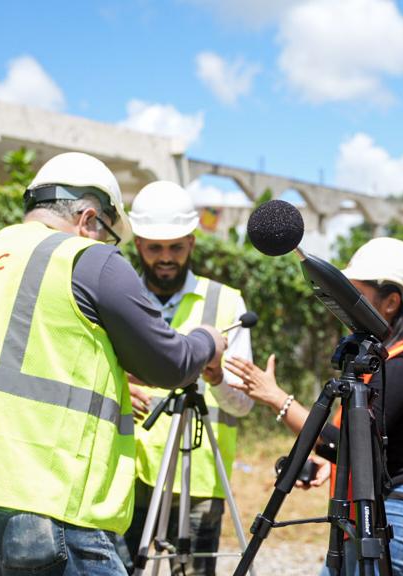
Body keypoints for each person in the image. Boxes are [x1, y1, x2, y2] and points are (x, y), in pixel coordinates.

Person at [0, 152, 227, 576]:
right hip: (40, 502)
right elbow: (170, 364)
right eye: (110, 236)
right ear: (89, 218)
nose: (110, 249)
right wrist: (207, 339)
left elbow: (25, 356)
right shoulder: (85, 258)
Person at [226, 237, 403, 576]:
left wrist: (277, 398)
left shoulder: (402, 366)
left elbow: (344, 443)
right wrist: (330, 466)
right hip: (361, 510)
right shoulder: (374, 362)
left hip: (390, 519)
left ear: (391, 302)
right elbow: (359, 446)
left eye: (357, 295)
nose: (345, 306)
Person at [121, 180, 254, 576]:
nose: (166, 258)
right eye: (155, 247)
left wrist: (216, 379)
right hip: (129, 471)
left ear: (192, 243)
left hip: (200, 477)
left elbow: (243, 405)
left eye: (176, 247)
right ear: (138, 244)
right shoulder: (118, 297)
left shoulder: (227, 303)